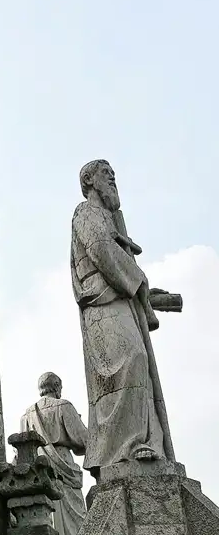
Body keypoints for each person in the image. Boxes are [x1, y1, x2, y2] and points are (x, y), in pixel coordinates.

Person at [71, 160, 172, 474]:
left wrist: (142, 288)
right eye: (105, 173)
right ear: (88, 180)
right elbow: (102, 251)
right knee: (130, 360)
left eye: (113, 174)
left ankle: (142, 441)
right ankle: (123, 446)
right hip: (102, 300)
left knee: (139, 364)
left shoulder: (109, 217)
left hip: (119, 298)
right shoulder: (85, 213)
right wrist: (137, 278)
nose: (112, 177)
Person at [21, 372, 88, 535]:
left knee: (48, 516)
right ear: (57, 387)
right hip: (63, 460)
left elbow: (22, 450)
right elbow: (84, 440)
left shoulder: (27, 415)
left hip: (39, 465)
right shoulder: (64, 406)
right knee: (76, 521)